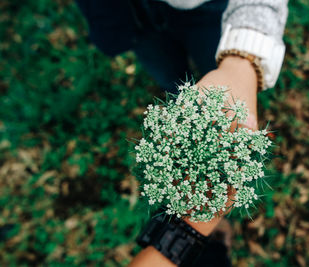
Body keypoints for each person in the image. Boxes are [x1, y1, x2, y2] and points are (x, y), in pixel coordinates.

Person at [76, 0, 288, 266]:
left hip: (210, 11)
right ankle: (181, 93)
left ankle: (195, 91)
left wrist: (240, 62)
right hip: (128, 16)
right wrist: (190, 227)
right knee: (167, 72)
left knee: (207, 57)